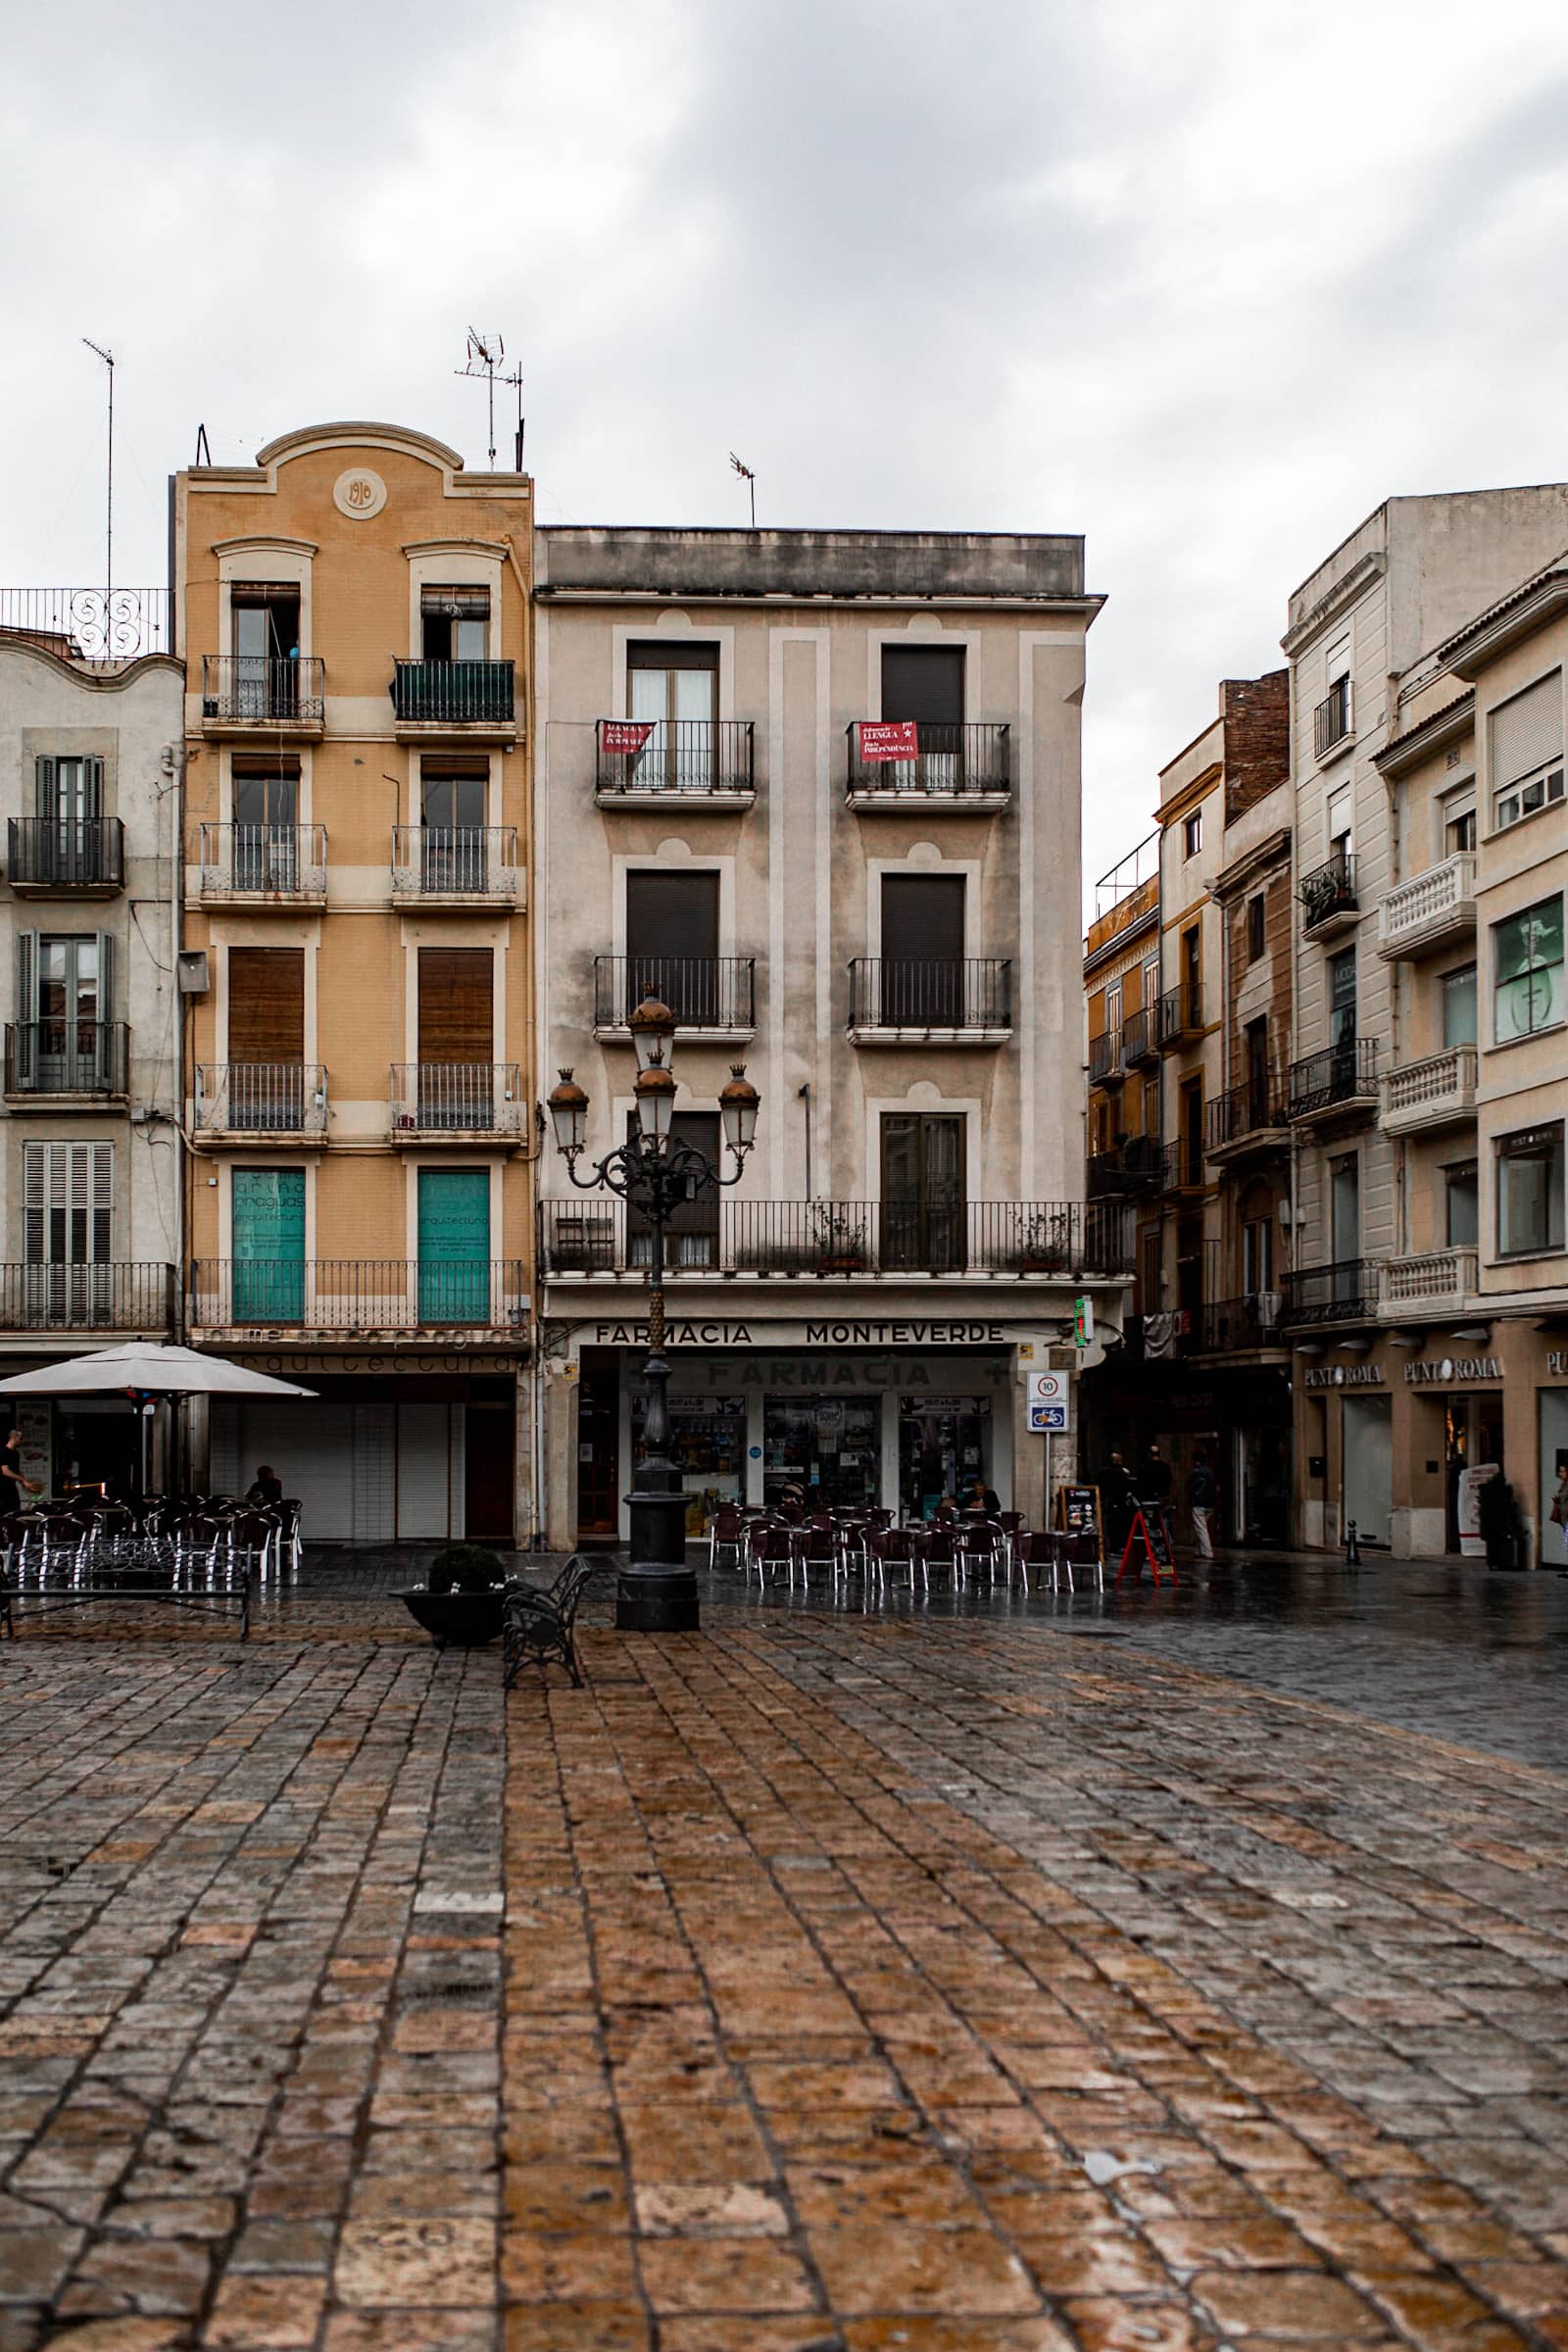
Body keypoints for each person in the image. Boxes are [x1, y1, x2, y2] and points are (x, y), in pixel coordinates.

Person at [0, 1428, 42, 1509]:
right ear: (14, 1437)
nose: (22, 1441)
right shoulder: (3, 1451)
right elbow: (5, 1471)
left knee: (15, 1509)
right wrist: (23, 1480)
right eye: (21, 1438)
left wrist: (26, 1484)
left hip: (11, 1487)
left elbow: (16, 1471)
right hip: (2, 1488)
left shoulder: (16, 1453)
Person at [1187, 1450, 1216, 1560]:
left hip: (1199, 1503)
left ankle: (1207, 1552)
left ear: (1196, 1461)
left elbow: (1189, 1487)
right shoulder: (1210, 1471)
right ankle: (1198, 1550)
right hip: (1210, 1504)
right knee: (1200, 1527)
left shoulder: (1196, 1472)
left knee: (1201, 1528)